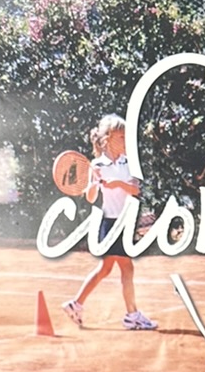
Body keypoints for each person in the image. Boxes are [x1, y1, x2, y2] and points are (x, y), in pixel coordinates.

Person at [62, 114, 158, 332]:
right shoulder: (97, 165)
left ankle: (76, 304)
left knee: (106, 268)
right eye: (122, 137)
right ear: (108, 139)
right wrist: (94, 183)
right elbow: (90, 198)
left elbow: (135, 190)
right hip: (111, 223)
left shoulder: (128, 163)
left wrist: (117, 183)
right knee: (126, 268)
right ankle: (132, 315)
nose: (126, 141)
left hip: (124, 223)